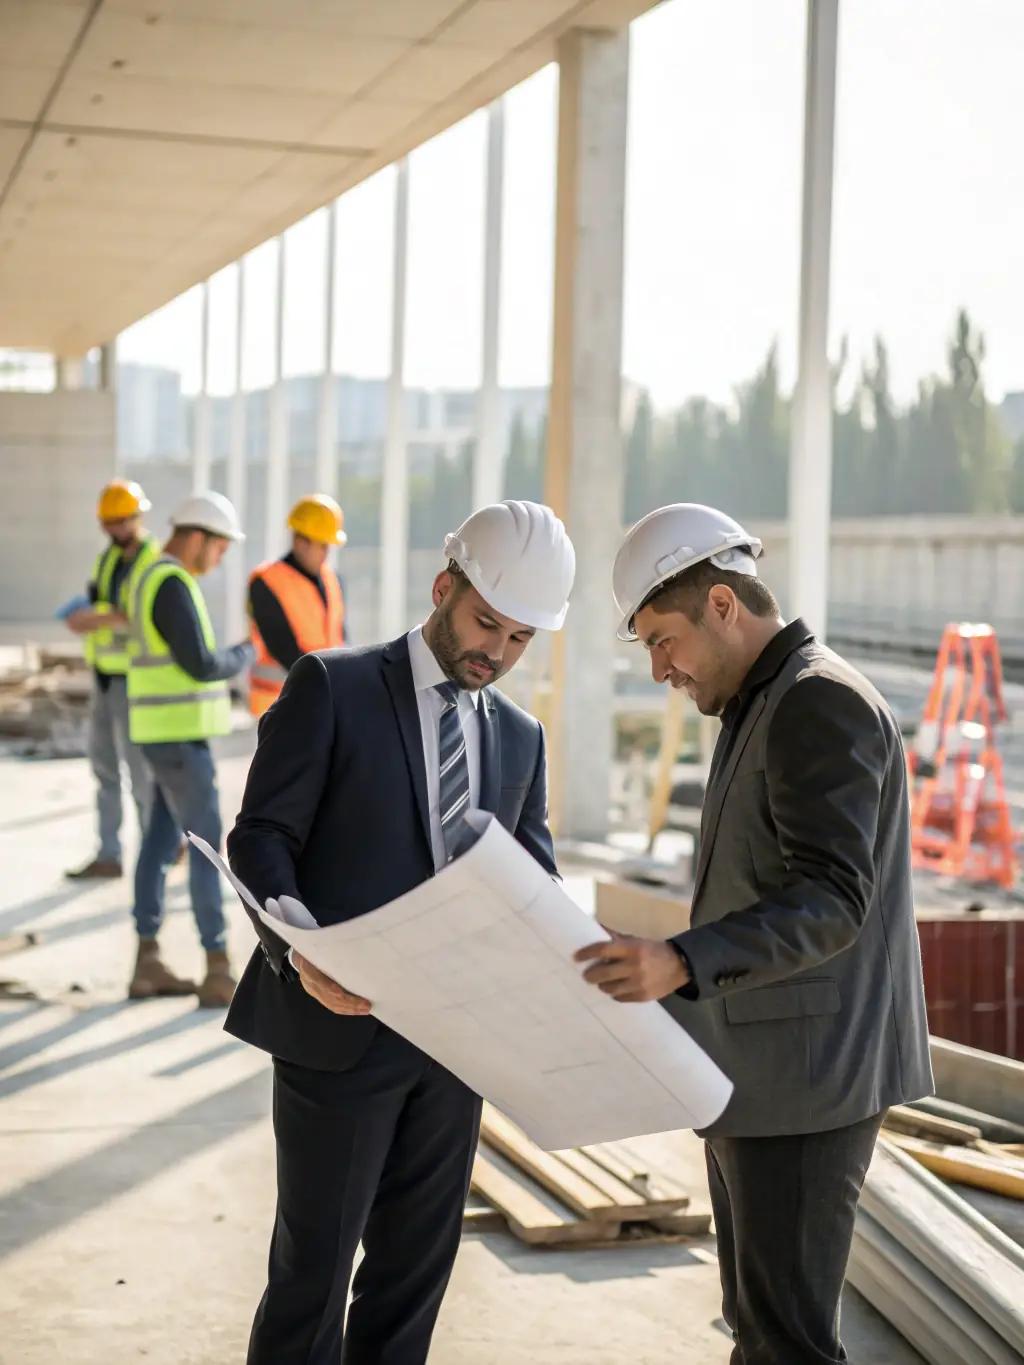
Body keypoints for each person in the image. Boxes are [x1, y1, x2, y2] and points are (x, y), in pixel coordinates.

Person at [576, 502, 933, 1365]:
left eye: (664, 639)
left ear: (725, 606)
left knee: (789, 1343)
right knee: (761, 1330)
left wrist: (682, 960)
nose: (660, 668)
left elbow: (832, 897)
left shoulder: (817, 703)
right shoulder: (761, 701)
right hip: (765, 1077)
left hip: (810, 1085)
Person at [225, 499, 575, 1365]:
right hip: (338, 1032)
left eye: (522, 638)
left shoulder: (521, 739)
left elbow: (536, 884)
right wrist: (302, 950)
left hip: (456, 1047)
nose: (497, 651)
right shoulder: (334, 686)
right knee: (312, 1277)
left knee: (414, 1278)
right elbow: (261, 836)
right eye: (487, 622)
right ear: (444, 586)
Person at [125, 491, 254, 1008]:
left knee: (159, 845)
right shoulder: (172, 582)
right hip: (179, 738)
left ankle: (147, 960)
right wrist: (246, 652)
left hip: (160, 734)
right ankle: (217, 966)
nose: (219, 560)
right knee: (205, 849)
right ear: (198, 538)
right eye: (220, 549)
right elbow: (200, 663)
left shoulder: (150, 576)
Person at [64, 479, 160, 880]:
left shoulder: (153, 562)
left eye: (121, 521)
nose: (115, 529)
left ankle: (157, 852)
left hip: (135, 680)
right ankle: (109, 854)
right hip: (105, 677)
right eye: (109, 522)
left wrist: (97, 617)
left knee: (141, 776)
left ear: (137, 518)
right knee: (103, 767)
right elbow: (106, 604)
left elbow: (140, 613)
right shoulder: (107, 561)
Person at [247, 493, 349, 716]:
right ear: (300, 541)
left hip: (324, 699)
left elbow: (340, 637)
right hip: (279, 702)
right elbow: (281, 646)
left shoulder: (333, 580)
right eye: (322, 545)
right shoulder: (266, 581)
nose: (326, 554)